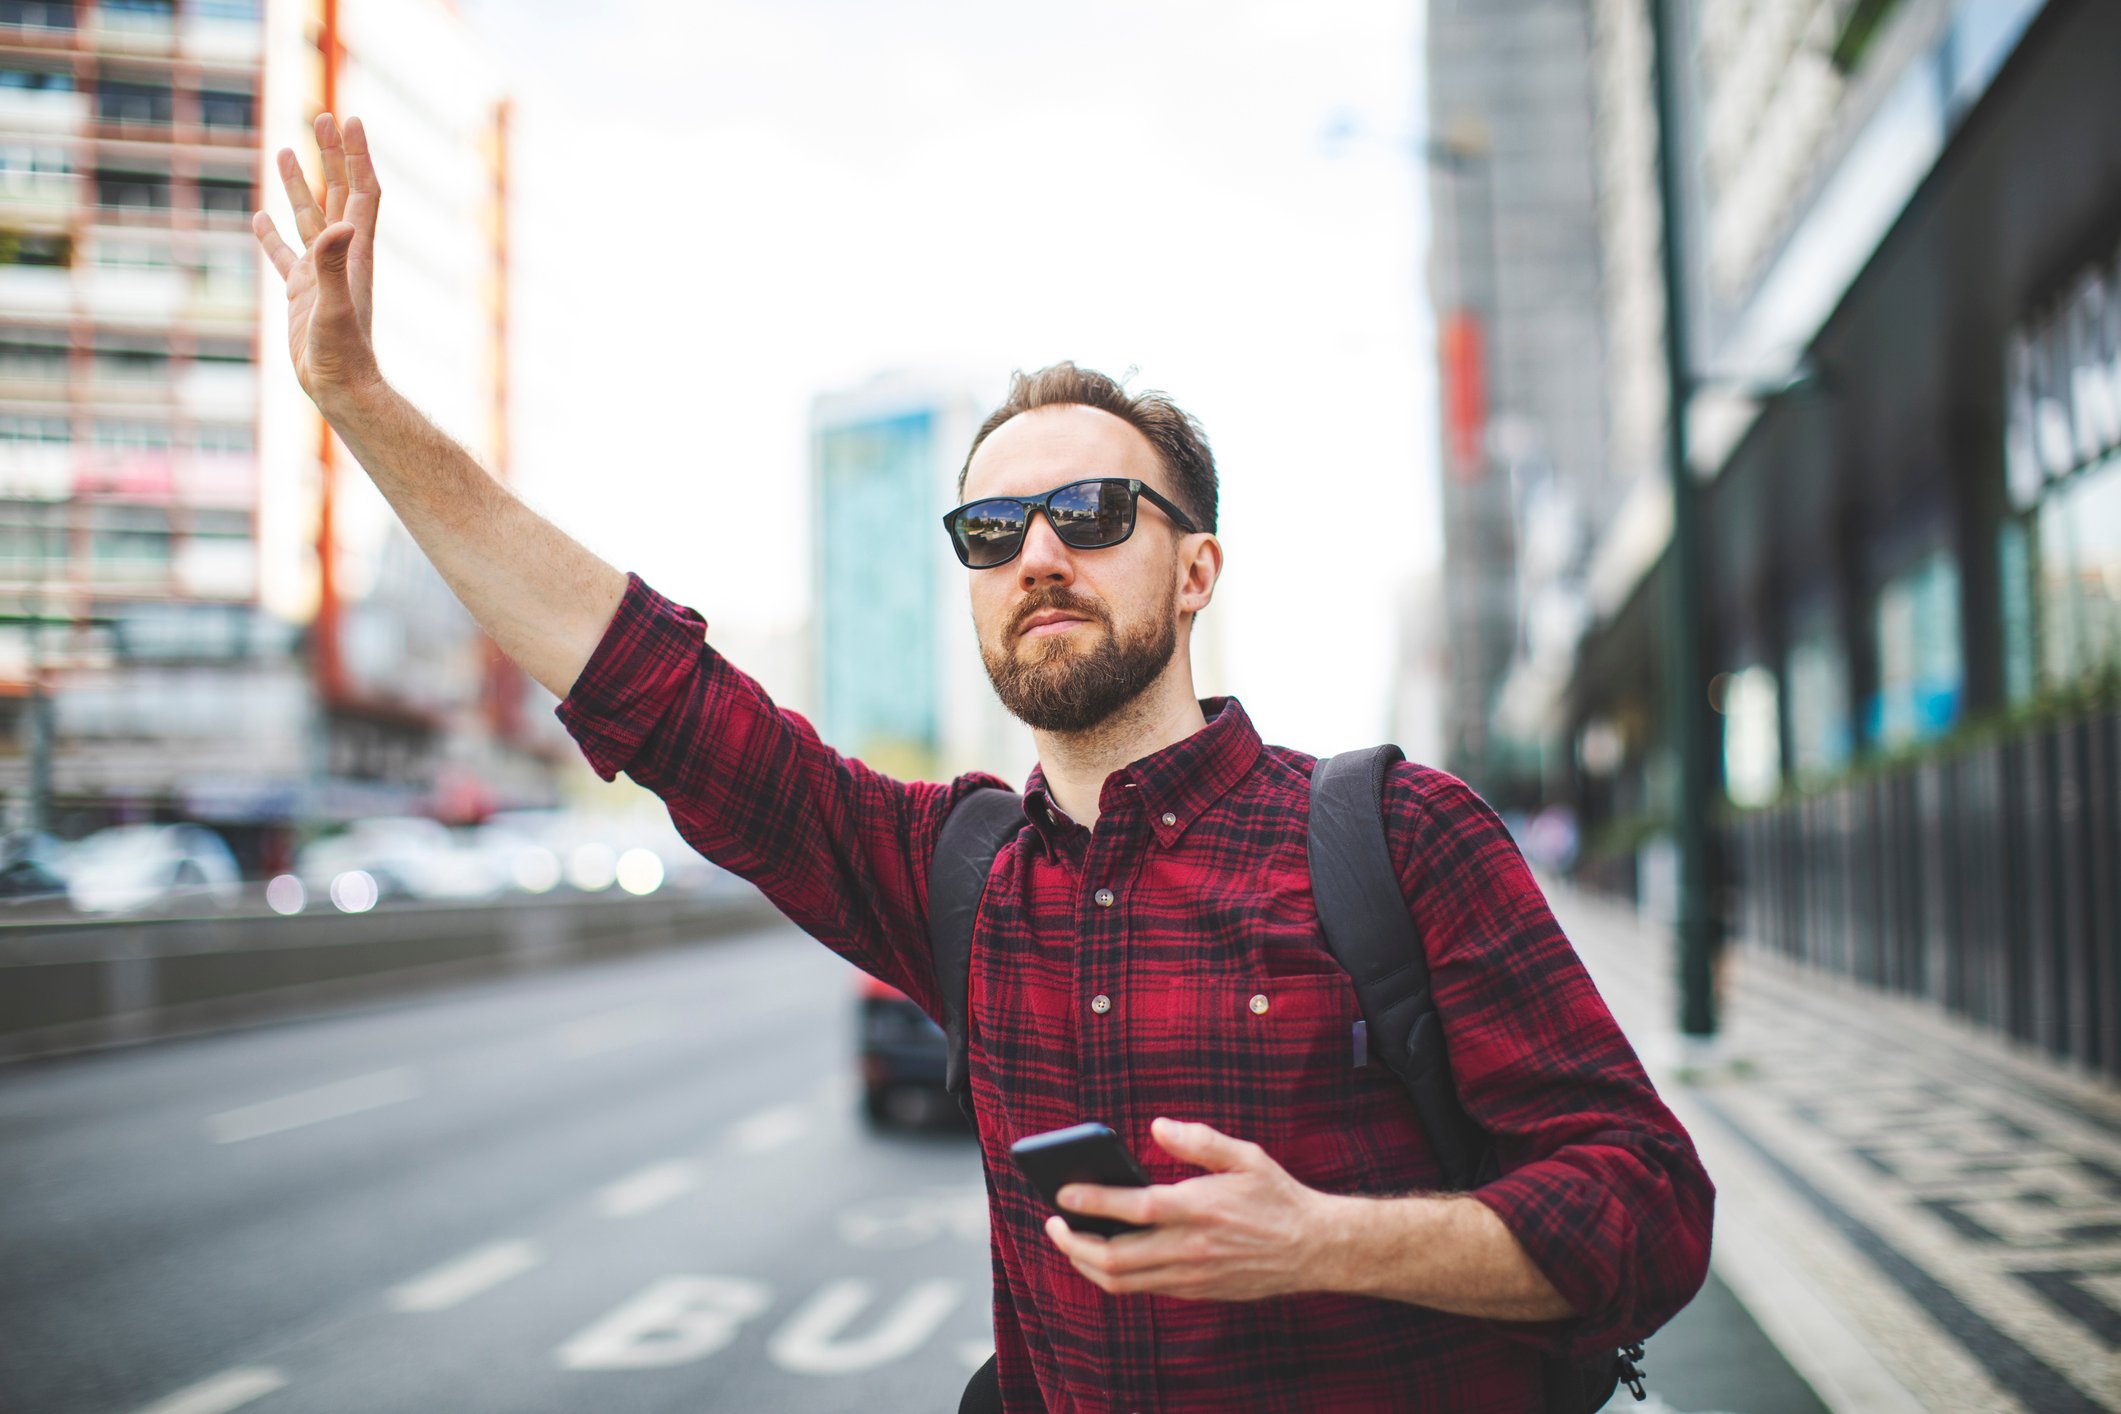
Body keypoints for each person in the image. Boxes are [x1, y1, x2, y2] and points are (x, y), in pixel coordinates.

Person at [254, 113, 1714, 1414]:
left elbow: (1650, 1208)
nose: (1038, 554)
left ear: (1195, 566)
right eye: (990, 530)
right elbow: (647, 682)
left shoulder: (1394, 835)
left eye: (1089, 510)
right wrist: (359, 402)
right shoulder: (950, 876)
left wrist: (1320, 1237)